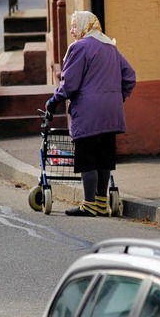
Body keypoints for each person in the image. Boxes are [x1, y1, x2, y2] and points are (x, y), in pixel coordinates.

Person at [46, 11, 136, 217]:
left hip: (89, 112)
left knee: (87, 157)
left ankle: (89, 204)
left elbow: (69, 83)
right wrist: (116, 96)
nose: (71, 31)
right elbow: (130, 76)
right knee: (104, 157)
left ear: (85, 26)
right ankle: (102, 203)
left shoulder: (80, 47)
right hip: (111, 112)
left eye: (74, 26)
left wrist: (54, 100)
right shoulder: (110, 47)